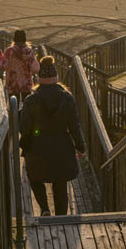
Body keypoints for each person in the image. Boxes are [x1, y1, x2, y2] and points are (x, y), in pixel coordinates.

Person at [19, 56, 86, 216]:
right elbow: (74, 126)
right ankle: (61, 216)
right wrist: (80, 146)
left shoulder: (31, 100)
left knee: (35, 178)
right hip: (62, 147)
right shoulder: (67, 98)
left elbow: (24, 128)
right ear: (56, 79)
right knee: (60, 181)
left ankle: (44, 208)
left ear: (39, 79)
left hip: (37, 148)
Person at [0, 29, 39, 107]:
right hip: (26, 84)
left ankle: (14, 118)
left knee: (13, 105)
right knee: (27, 106)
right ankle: (25, 118)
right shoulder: (28, 51)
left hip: (12, 84)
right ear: (25, 39)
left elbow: (3, 66)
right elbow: (35, 69)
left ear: (14, 39)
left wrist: (0, 57)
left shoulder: (9, 51)